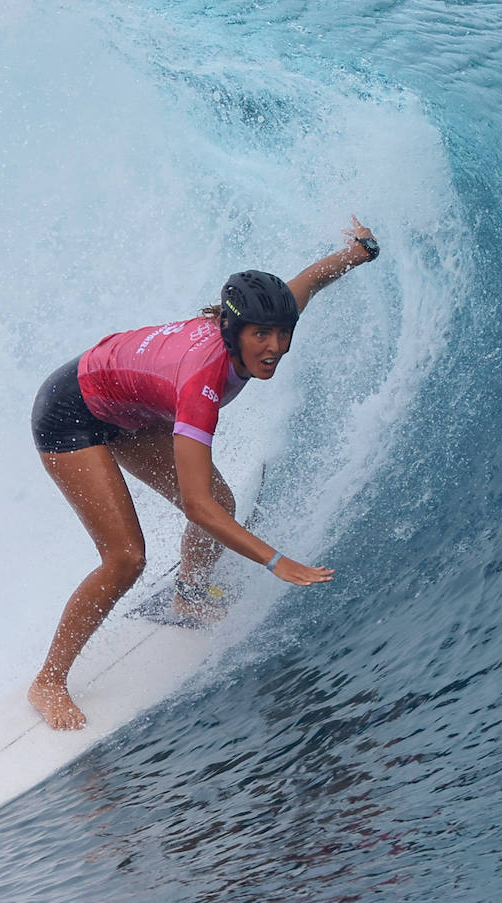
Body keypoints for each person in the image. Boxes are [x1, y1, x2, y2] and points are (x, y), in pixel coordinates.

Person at [28, 216, 381, 730]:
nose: (276, 348)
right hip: (72, 412)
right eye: (262, 336)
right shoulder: (203, 382)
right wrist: (275, 561)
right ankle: (48, 682)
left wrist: (359, 252)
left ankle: (188, 596)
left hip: (131, 407)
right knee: (127, 557)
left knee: (224, 499)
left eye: (283, 334)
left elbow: (305, 283)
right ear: (234, 332)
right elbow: (196, 507)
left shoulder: (258, 328)